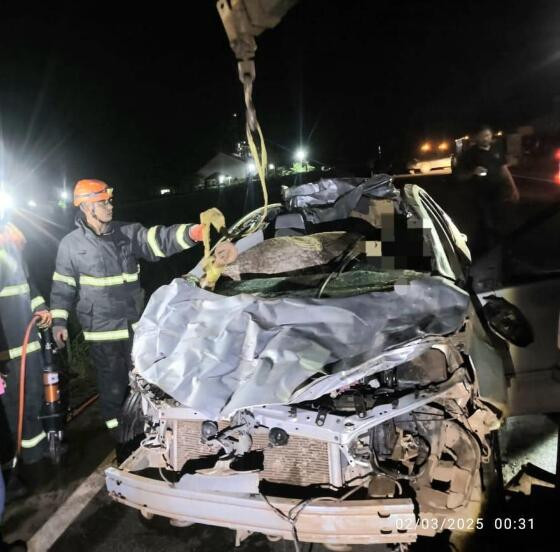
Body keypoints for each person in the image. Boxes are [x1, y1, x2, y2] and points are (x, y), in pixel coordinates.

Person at [50, 179, 204, 445]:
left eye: (109, 201)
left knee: (143, 381)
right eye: (103, 202)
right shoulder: (70, 245)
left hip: (134, 326)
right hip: (101, 332)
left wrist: (194, 233)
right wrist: (59, 322)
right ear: (87, 207)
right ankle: (120, 438)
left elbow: (158, 240)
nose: (110, 206)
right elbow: (62, 287)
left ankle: (147, 428)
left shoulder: (126, 233)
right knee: (112, 389)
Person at [455, 124, 519, 255]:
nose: (486, 138)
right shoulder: (469, 154)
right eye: (483, 136)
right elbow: (459, 176)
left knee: (502, 222)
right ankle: (489, 252)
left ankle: (504, 249)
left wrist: (514, 188)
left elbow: (504, 169)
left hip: (499, 193)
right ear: (477, 137)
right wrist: (473, 172)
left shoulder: (496, 150)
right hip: (481, 195)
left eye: (488, 135)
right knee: (487, 224)